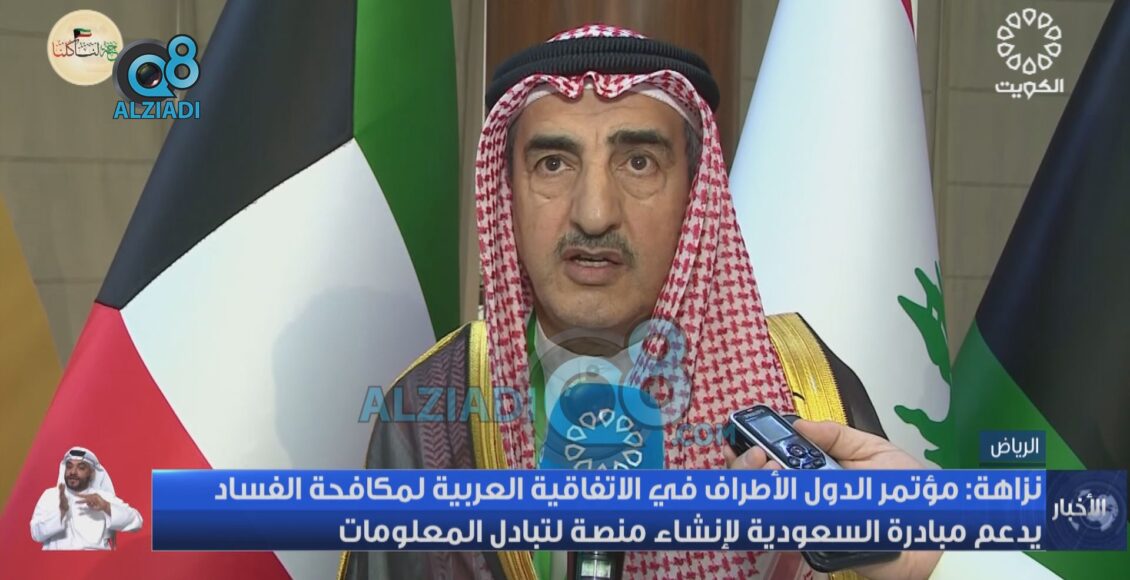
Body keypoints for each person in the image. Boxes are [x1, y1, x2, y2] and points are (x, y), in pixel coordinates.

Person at [340, 24, 939, 580]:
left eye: (639, 162)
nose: (594, 214)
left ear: (695, 196)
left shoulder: (810, 391)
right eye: (553, 164)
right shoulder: (431, 409)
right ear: (509, 197)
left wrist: (931, 562)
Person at [29, 447, 143, 550]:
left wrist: (106, 507)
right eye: (69, 466)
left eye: (81, 468)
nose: (73, 472)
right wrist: (60, 514)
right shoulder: (50, 496)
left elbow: (137, 522)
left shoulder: (102, 497)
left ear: (92, 473)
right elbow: (36, 534)